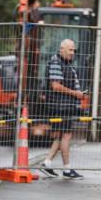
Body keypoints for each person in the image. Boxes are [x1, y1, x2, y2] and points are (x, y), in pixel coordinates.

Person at [40, 39, 85, 179]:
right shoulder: (56, 62)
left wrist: (80, 94)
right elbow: (56, 86)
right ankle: (66, 169)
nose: (73, 53)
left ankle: (47, 163)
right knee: (66, 135)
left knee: (60, 136)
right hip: (59, 105)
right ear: (62, 49)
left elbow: (73, 85)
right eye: (70, 50)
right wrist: (75, 93)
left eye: (74, 50)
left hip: (65, 105)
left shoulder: (68, 65)